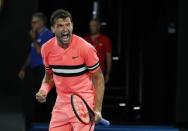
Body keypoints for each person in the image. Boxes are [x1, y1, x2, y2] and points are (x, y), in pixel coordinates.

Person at [36, 9, 105, 131]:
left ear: (72, 26)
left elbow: (98, 78)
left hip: (84, 105)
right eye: (60, 26)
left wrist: (97, 109)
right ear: (52, 29)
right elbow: (50, 76)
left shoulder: (85, 48)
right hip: (61, 105)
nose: (65, 29)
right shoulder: (46, 49)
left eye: (68, 24)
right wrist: (43, 90)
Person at [18, 12, 54, 129]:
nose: (32, 24)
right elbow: (32, 53)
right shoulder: (36, 34)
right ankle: (28, 123)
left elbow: (40, 52)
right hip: (34, 69)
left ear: (42, 22)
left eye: (34, 22)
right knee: (34, 96)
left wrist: (34, 39)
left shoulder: (48, 35)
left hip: (44, 70)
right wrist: (23, 68)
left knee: (47, 97)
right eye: (31, 22)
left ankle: (59, 121)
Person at [84, 19, 112, 83]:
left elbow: (108, 57)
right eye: (90, 26)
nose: (91, 28)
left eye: (93, 26)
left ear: (98, 26)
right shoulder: (85, 39)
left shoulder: (105, 40)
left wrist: (108, 73)